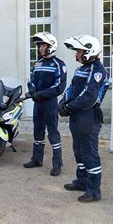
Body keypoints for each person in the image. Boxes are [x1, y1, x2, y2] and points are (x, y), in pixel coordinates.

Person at [58, 35, 109, 203]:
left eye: (79, 51)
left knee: (89, 153)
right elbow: (72, 88)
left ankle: (94, 191)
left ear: (89, 51)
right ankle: (81, 181)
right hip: (77, 115)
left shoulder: (98, 70)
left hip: (89, 116)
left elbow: (89, 96)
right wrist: (62, 102)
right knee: (78, 151)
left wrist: (68, 107)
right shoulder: (81, 69)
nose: (76, 55)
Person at [24, 32, 67, 176]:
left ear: (50, 46)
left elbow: (59, 87)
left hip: (50, 104)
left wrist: (41, 94)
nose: (40, 48)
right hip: (38, 104)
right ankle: (37, 159)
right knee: (38, 131)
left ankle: (57, 164)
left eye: (42, 45)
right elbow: (31, 81)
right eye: (39, 45)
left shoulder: (59, 64)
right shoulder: (38, 63)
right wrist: (32, 91)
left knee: (53, 133)